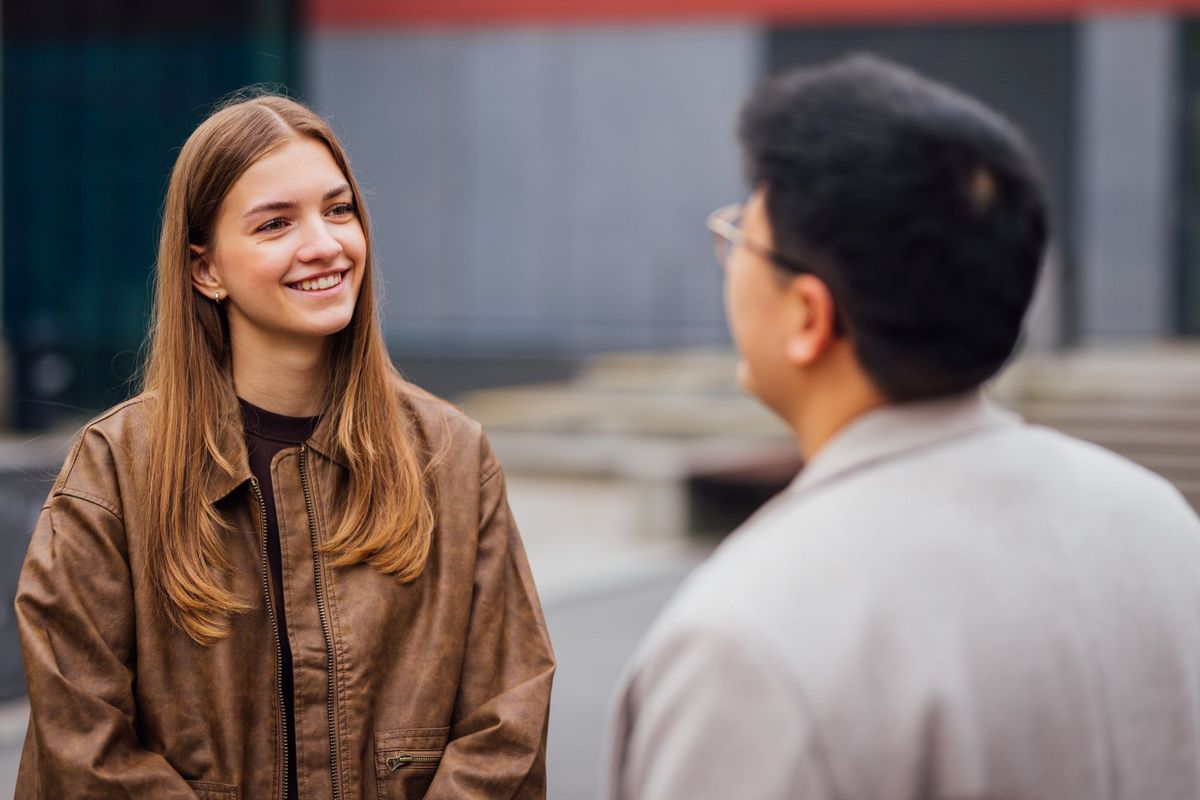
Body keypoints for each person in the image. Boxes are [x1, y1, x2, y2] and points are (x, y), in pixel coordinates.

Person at [606, 54, 1200, 800]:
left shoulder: (750, 639)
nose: (728, 265)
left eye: (740, 240)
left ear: (808, 318)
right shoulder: (1159, 522)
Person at [15, 92, 555, 799]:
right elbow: (81, 743)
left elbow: (504, 724)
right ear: (205, 270)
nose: (325, 244)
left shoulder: (451, 457)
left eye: (338, 210)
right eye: (275, 223)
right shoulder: (115, 472)